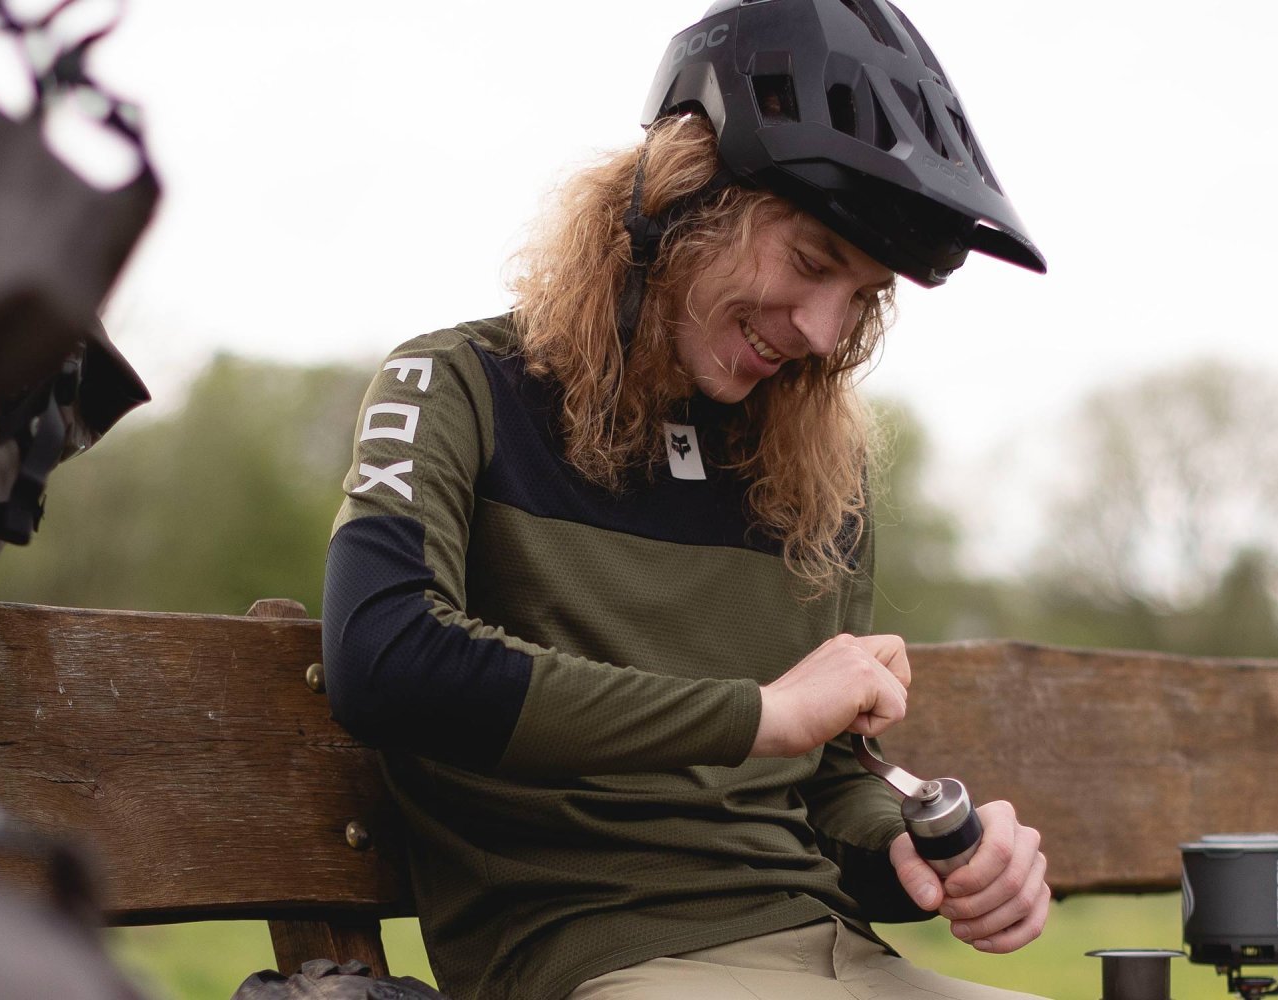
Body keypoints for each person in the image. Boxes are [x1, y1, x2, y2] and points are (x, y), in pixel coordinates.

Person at [321, 2, 1051, 998]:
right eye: (807, 262)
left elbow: (827, 780)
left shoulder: (816, 472)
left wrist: (926, 854)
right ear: (681, 198)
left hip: (832, 957)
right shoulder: (457, 387)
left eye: (861, 294)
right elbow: (387, 659)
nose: (823, 332)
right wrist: (761, 713)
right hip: (598, 956)